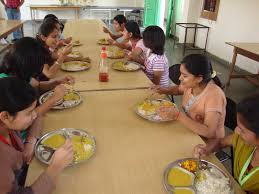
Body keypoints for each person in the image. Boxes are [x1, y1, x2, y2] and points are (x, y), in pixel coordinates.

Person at [0, 76, 74, 194]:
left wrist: (30, 141)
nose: (34, 115)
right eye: (29, 113)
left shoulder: (8, 126)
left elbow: (37, 116)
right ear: (5, 116)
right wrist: (55, 167)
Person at [194, 93, 259, 194]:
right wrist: (207, 149)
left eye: (242, 130)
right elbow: (220, 142)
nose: (236, 131)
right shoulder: (242, 139)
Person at [154, 54, 226, 143]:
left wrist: (178, 115)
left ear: (199, 78)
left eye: (185, 76)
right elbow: (178, 90)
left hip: (207, 144)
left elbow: (209, 132)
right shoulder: (191, 85)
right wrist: (163, 90)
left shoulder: (214, 95)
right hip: (190, 131)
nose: (180, 78)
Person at [0, 37, 72, 115]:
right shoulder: (6, 86)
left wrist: (56, 82)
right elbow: (27, 117)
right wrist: (53, 99)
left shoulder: (19, 70)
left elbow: (37, 85)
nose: (40, 70)